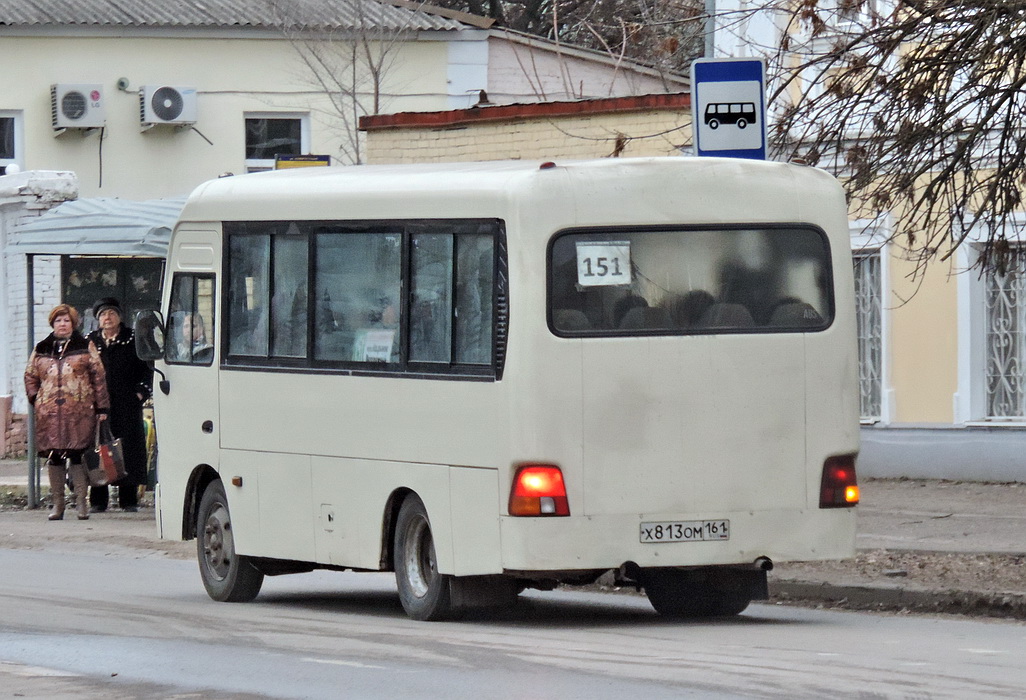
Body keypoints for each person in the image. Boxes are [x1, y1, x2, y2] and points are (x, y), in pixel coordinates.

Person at [24, 304, 110, 521]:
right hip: (49, 413)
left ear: (73, 324)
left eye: (67, 321)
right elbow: (30, 376)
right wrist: (37, 399)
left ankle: (81, 503)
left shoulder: (84, 346)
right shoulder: (42, 348)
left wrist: (101, 407)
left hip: (79, 411)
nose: (62, 324)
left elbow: (98, 377)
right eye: (59, 321)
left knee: (77, 454)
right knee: (54, 456)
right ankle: (58, 504)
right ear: (53, 324)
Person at [86, 297, 153, 512]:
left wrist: (140, 393)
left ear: (119, 317)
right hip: (99, 405)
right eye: (103, 315)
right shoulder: (91, 341)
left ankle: (128, 499)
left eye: (112, 313)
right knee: (100, 448)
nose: (108, 318)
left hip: (127, 403)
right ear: (98, 319)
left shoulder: (133, 339)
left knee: (128, 449)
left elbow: (148, 367)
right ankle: (98, 499)